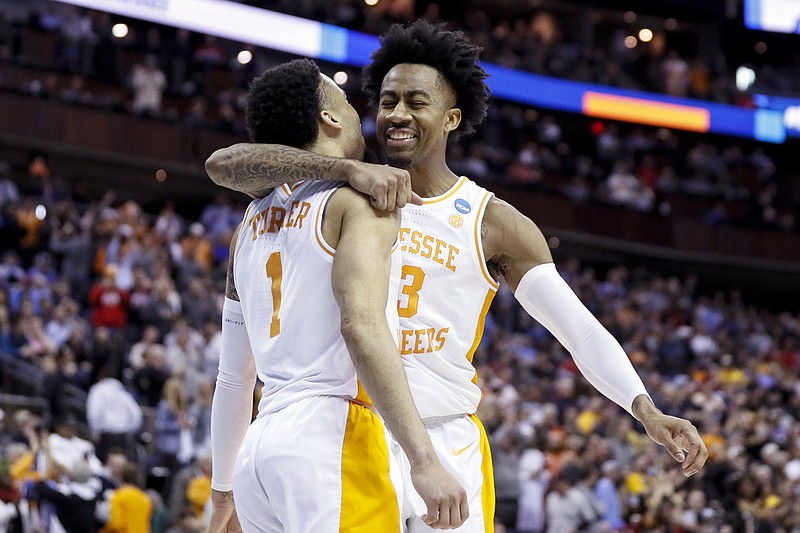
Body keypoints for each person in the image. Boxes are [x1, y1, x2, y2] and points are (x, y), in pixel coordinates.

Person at [205, 21, 708, 532]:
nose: (397, 114)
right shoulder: (344, 192)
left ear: (451, 117)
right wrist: (348, 170)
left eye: (415, 102)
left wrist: (645, 408)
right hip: (353, 431)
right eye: (387, 100)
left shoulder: (491, 222)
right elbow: (229, 162)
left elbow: (577, 330)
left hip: (443, 440)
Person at [207, 58, 466, 533]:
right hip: (331, 433)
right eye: (347, 104)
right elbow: (360, 327)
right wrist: (424, 460)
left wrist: (223, 488)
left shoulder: (247, 226)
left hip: (260, 450)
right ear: (328, 118)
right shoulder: (358, 200)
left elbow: (233, 377)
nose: (358, 113)